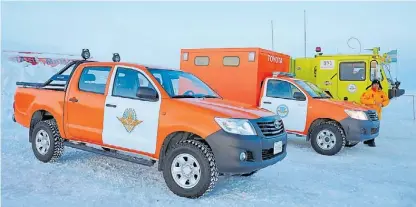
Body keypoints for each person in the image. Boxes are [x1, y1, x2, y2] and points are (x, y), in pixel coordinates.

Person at [360, 79, 390, 147]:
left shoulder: (382, 93)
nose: (376, 85)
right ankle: (370, 141)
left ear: (379, 85)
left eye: (377, 84)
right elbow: (362, 100)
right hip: (369, 113)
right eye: (374, 84)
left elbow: (387, 100)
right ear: (372, 85)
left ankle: (370, 140)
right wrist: (372, 102)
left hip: (377, 113)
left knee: (375, 126)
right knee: (369, 126)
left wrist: (382, 104)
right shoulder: (368, 92)